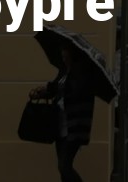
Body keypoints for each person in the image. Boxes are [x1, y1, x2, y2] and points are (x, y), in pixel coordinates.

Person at [29, 45, 98, 182]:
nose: (64, 58)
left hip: (74, 125)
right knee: (62, 167)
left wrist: (57, 88)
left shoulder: (82, 74)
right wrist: (42, 93)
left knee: (64, 166)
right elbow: (56, 90)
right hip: (59, 124)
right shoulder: (63, 71)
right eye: (63, 56)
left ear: (73, 55)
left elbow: (75, 92)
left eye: (66, 56)